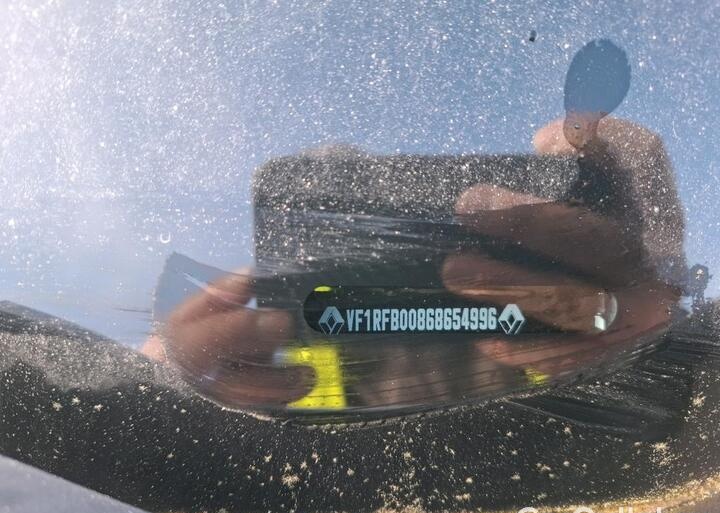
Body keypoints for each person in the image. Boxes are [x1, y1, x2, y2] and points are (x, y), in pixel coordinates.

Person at [141, 115, 686, 410]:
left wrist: (660, 284)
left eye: (393, 211)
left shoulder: (548, 293)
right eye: (329, 230)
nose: (376, 250)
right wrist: (168, 390)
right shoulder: (259, 353)